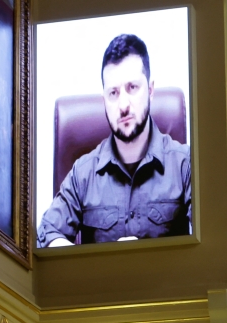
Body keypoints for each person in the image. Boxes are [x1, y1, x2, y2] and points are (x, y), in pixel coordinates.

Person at [38, 35, 191, 247]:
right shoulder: (83, 174)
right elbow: (47, 233)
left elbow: (211, 236)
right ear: (104, 100)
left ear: (150, 90)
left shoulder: (185, 165)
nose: (123, 105)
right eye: (113, 93)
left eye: (132, 88)